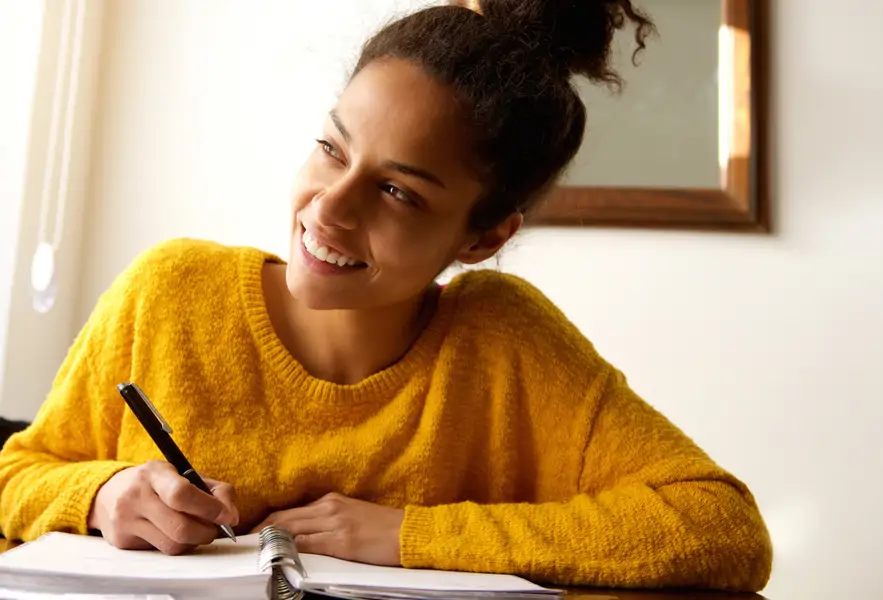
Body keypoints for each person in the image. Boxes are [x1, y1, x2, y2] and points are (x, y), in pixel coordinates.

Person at [0, 0, 772, 592]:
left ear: (480, 240)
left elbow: (723, 528)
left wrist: (404, 536)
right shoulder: (168, 292)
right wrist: (101, 494)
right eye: (332, 147)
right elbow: (17, 476)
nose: (330, 207)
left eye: (399, 192)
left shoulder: (506, 345)